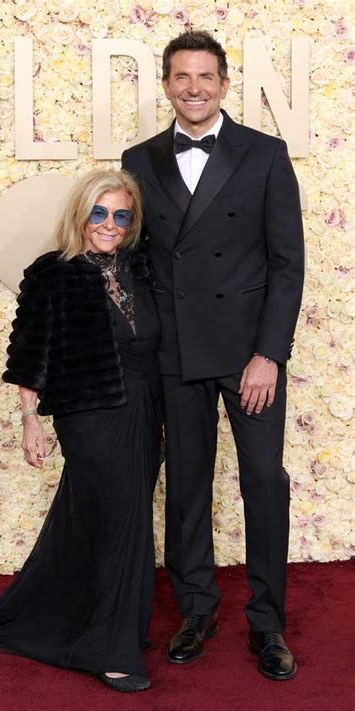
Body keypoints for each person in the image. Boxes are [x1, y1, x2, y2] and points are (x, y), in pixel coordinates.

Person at [0, 169, 163, 693]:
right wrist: (30, 421)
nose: (109, 224)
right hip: (89, 413)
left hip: (146, 408)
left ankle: (108, 623)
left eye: (121, 215)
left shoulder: (143, 267)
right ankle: (110, 650)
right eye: (99, 212)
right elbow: (30, 354)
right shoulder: (53, 273)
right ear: (80, 214)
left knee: (121, 518)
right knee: (121, 518)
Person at [122, 30, 304, 681]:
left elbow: (287, 264)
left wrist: (269, 354)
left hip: (250, 354)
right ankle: (197, 609)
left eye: (205, 76)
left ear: (224, 84)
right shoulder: (138, 159)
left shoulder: (264, 154)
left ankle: (267, 622)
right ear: (167, 85)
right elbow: (134, 263)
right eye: (181, 77)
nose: (194, 87)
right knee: (188, 491)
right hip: (176, 351)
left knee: (264, 485)